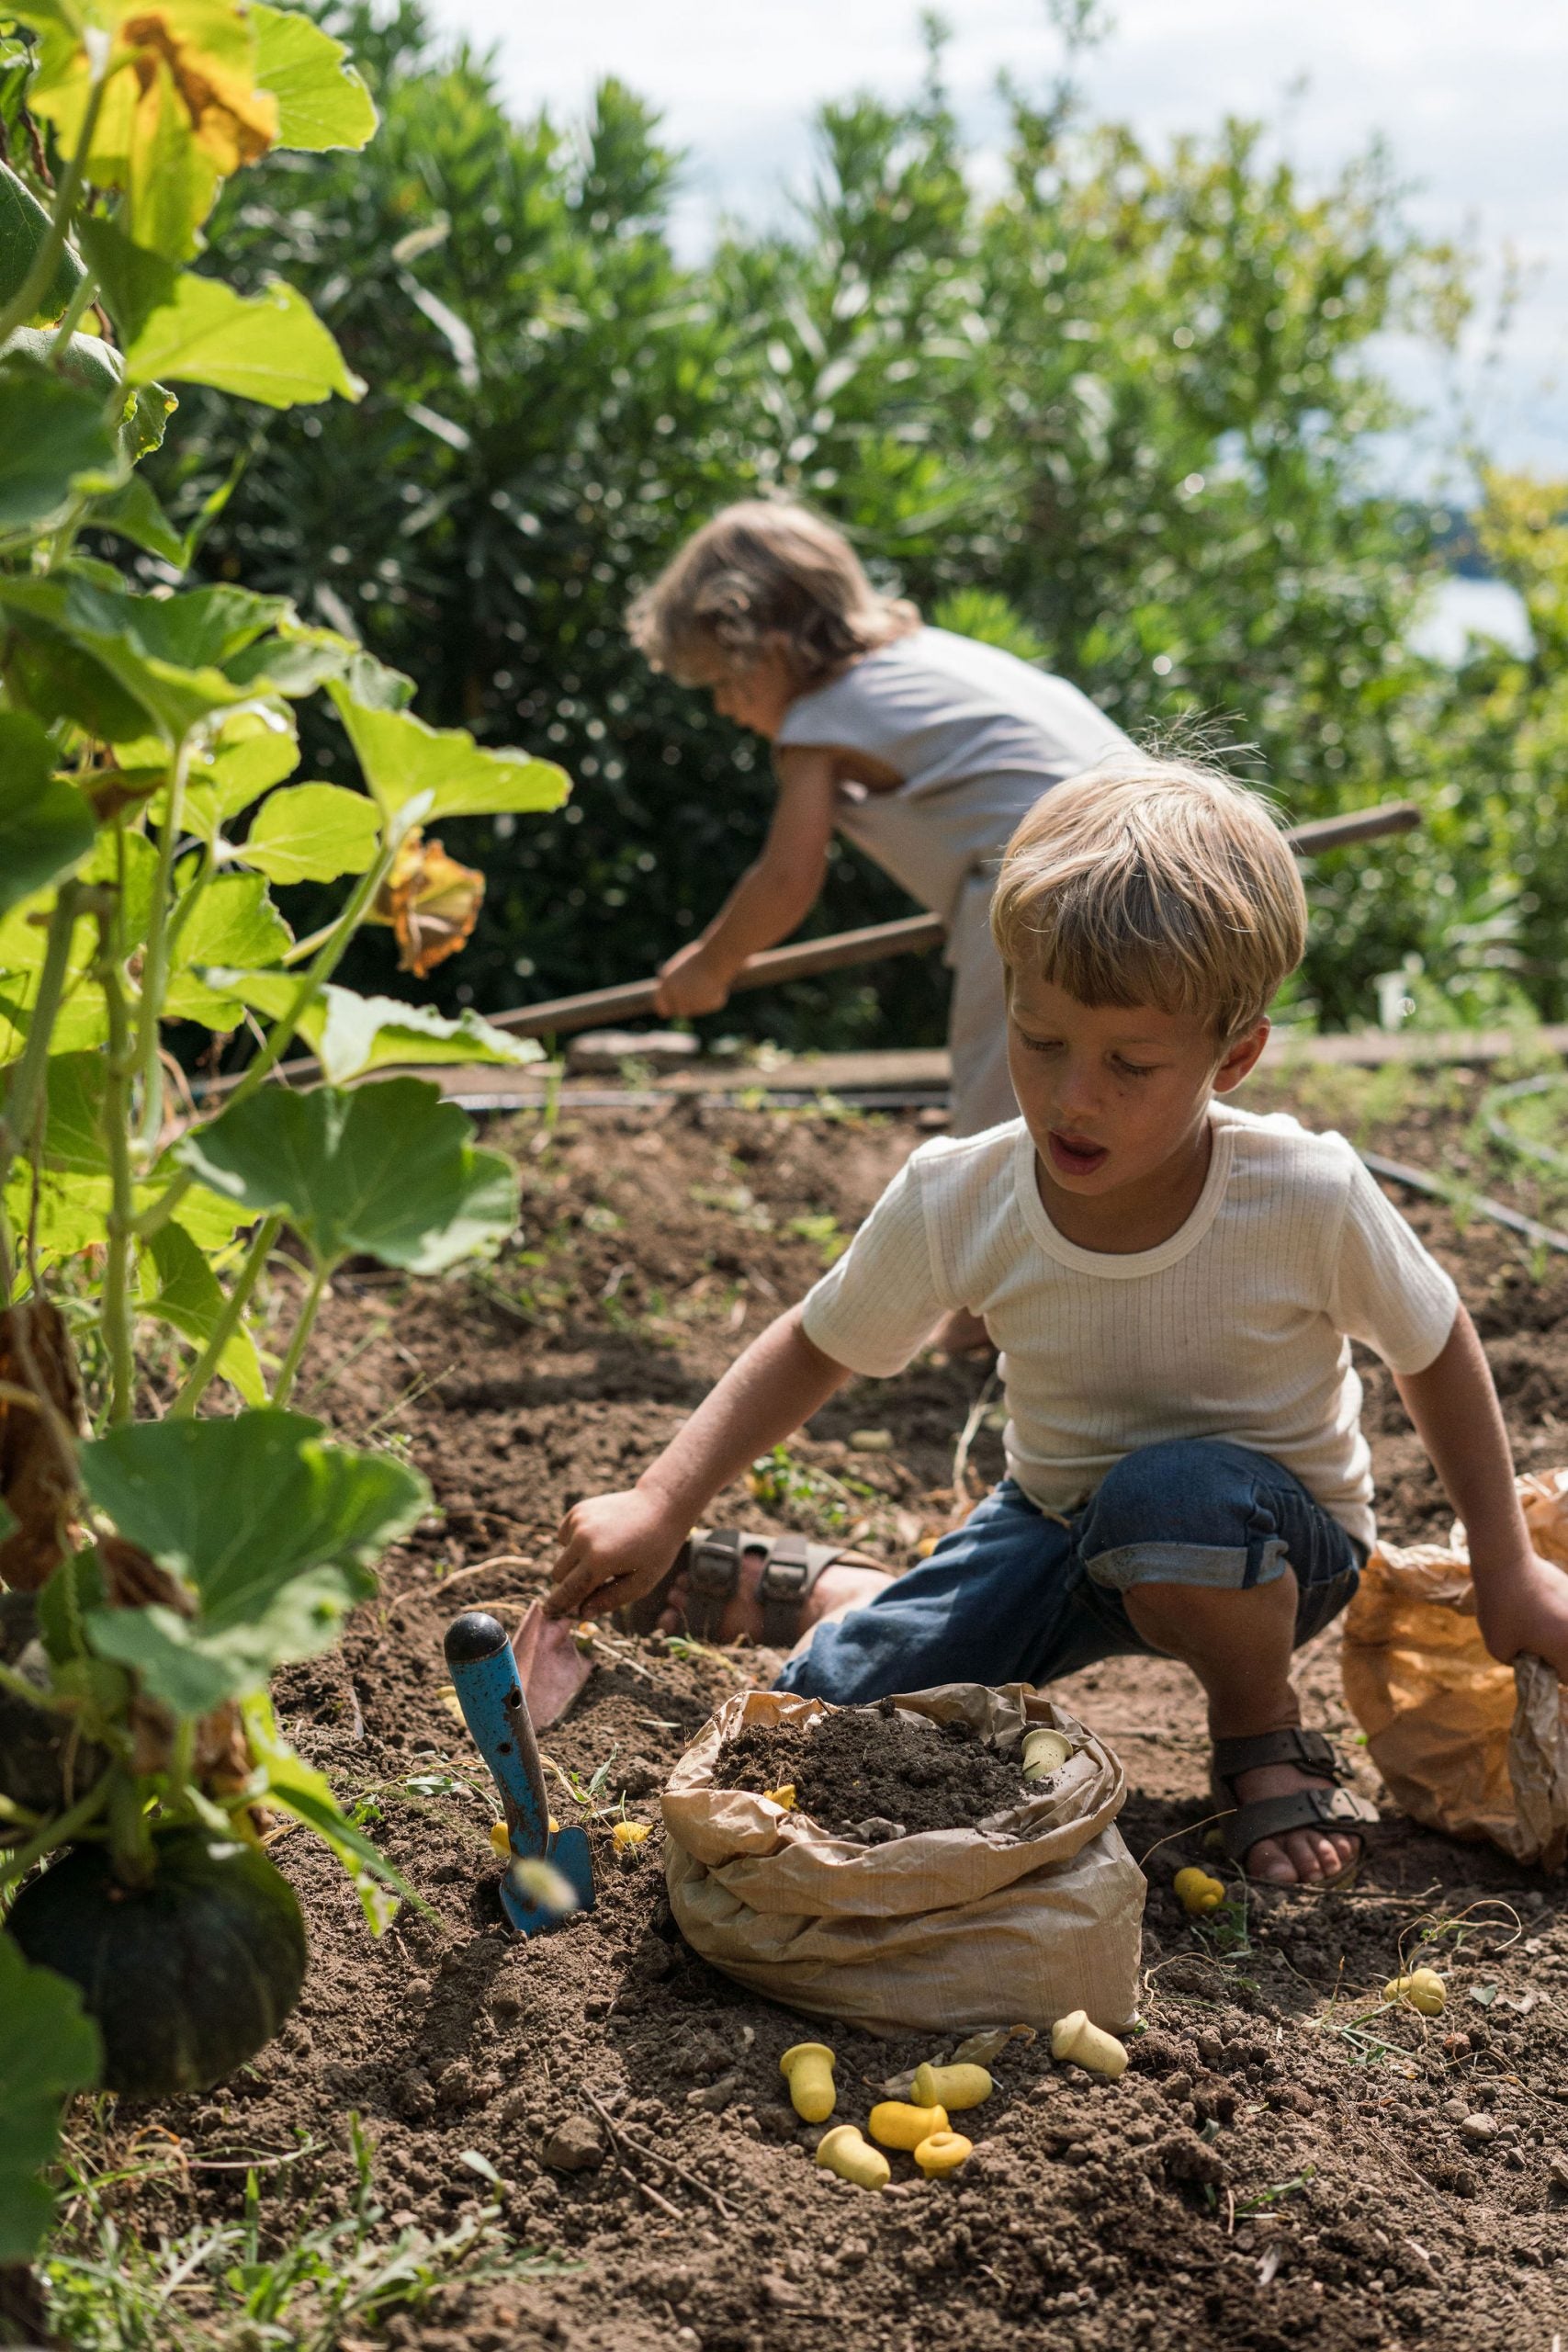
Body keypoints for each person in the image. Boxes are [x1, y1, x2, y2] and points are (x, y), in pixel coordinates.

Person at [546, 754, 1568, 1887]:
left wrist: (1507, 1566)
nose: (1073, 1097)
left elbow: (1434, 1345)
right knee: (820, 1724)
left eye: (1130, 1062)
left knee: (1171, 1498)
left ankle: (1258, 1729)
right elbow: (814, 1341)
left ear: (1232, 1056)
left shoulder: (1305, 1194)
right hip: (1055, 1524)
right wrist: (660, 1498)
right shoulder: (962, 1193)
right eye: (1040, 1041)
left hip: (1271, 1546)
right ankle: (848, 1591)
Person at [626, 498, 1132, 1142]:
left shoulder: (821, 720)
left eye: (722, 682)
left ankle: (1011, 1238)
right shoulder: (933, 656)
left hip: (1047, 892)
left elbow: (786, 878)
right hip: (1159, 862)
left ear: (768, 650)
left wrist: (710, 964)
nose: (724, 707)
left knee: (1005, 1133)